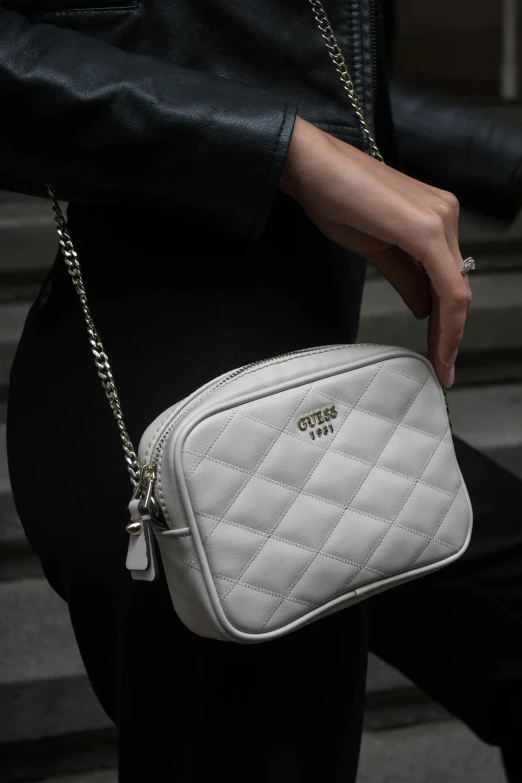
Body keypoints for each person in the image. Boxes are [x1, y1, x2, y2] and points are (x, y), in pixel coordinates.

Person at [1, 1, 481, 780]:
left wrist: (488, 150)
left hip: (316, 382)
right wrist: (283, 149)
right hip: (166, 380)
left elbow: (289, 52)